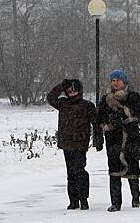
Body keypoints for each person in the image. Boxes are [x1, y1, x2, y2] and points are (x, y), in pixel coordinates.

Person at [47, 79, 99, 210]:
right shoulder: (63, 104)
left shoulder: (87, 106)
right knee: (70, 173)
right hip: (66, 144)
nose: (72, 93)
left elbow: (96, 124)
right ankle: (73, 200)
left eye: (74, 90)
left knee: (79, 171)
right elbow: (50, 98)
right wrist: (61, 85)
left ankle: (83, 198)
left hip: (80, 144)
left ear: (79, 91)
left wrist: (98, 140)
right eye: (69, 91)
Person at [97, 69, 140, 212]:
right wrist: (108, 123)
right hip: (113, 138)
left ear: (124, 81)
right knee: (114, 169)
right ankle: (115, 203)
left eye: (118, 80)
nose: (115, 82)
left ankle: (135, 197)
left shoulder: (132, 96)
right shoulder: (106, 99)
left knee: (132, 169)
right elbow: (100, 117)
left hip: (130, 137)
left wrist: (126, 117)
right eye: (113, 80)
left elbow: (139, 115)